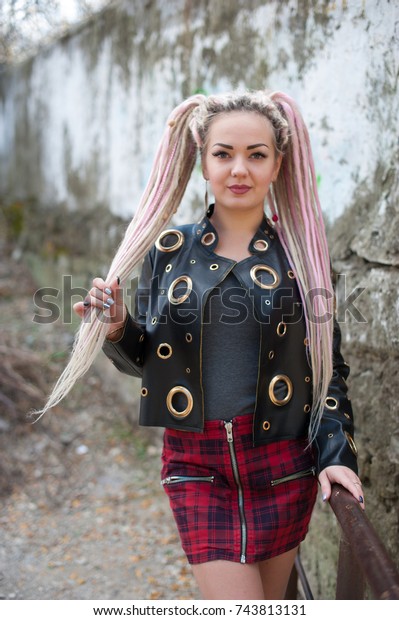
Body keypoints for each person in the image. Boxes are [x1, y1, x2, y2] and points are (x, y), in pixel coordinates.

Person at [47, 90, 362, 600]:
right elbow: (146, 359)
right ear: (202, 161)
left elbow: (327, 371)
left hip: (282, 461)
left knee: (273, 604)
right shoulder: (169, 250)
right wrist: (116, 326)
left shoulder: (304, 259)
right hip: (195, 464)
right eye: (223, 153)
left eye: (256, 154)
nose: (240, 168)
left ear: (278, 163)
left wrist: (336, 454)